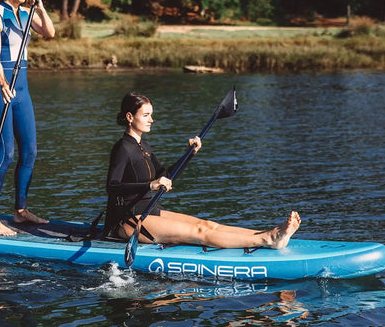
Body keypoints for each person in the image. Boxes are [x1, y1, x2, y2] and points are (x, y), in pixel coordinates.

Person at [104, 92, 301, 249]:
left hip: (149, 210)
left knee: (207, 224)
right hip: (126, 220)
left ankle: (266, 233)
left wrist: (190, 154)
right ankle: (269, 240)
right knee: (199, 232)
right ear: (130, 117)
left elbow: (166, 176)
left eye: (151, 115)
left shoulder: (143, 145)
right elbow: (112, 187)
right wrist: (151, 184)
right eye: (146, 115)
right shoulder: (123, 148)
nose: (151, 120)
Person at [0, 0, 55, 236]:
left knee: (30, 151)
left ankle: (20, 211)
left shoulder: (26, 13)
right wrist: (2, 84)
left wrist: (41, 9)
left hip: (23, 89)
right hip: (1, 88)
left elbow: (49, 34)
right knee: (5, 153)